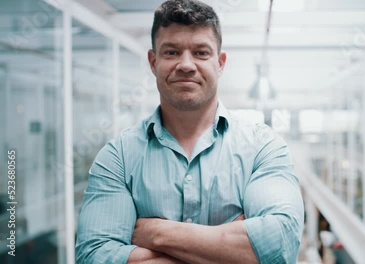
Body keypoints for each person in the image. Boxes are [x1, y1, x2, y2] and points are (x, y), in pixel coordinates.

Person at [75, 0, 304, 263]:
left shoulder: (262, 147)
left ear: (220, 63)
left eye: (201, 53)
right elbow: (93, 257)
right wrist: (230, 249)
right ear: (153, 61)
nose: (186, 65)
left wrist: (157, 234)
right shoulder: (119, 157)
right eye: (172, 52)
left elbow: (280, 245)